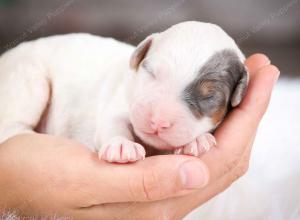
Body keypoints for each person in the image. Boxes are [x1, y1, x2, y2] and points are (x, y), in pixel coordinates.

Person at [0, 54, 279, 219]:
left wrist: (197, 136)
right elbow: (113, 121)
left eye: (205, 98)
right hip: (33, 72)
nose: (159, 119)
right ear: (141, 54)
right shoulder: (124, 89)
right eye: (153, 75)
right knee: (27, 75)